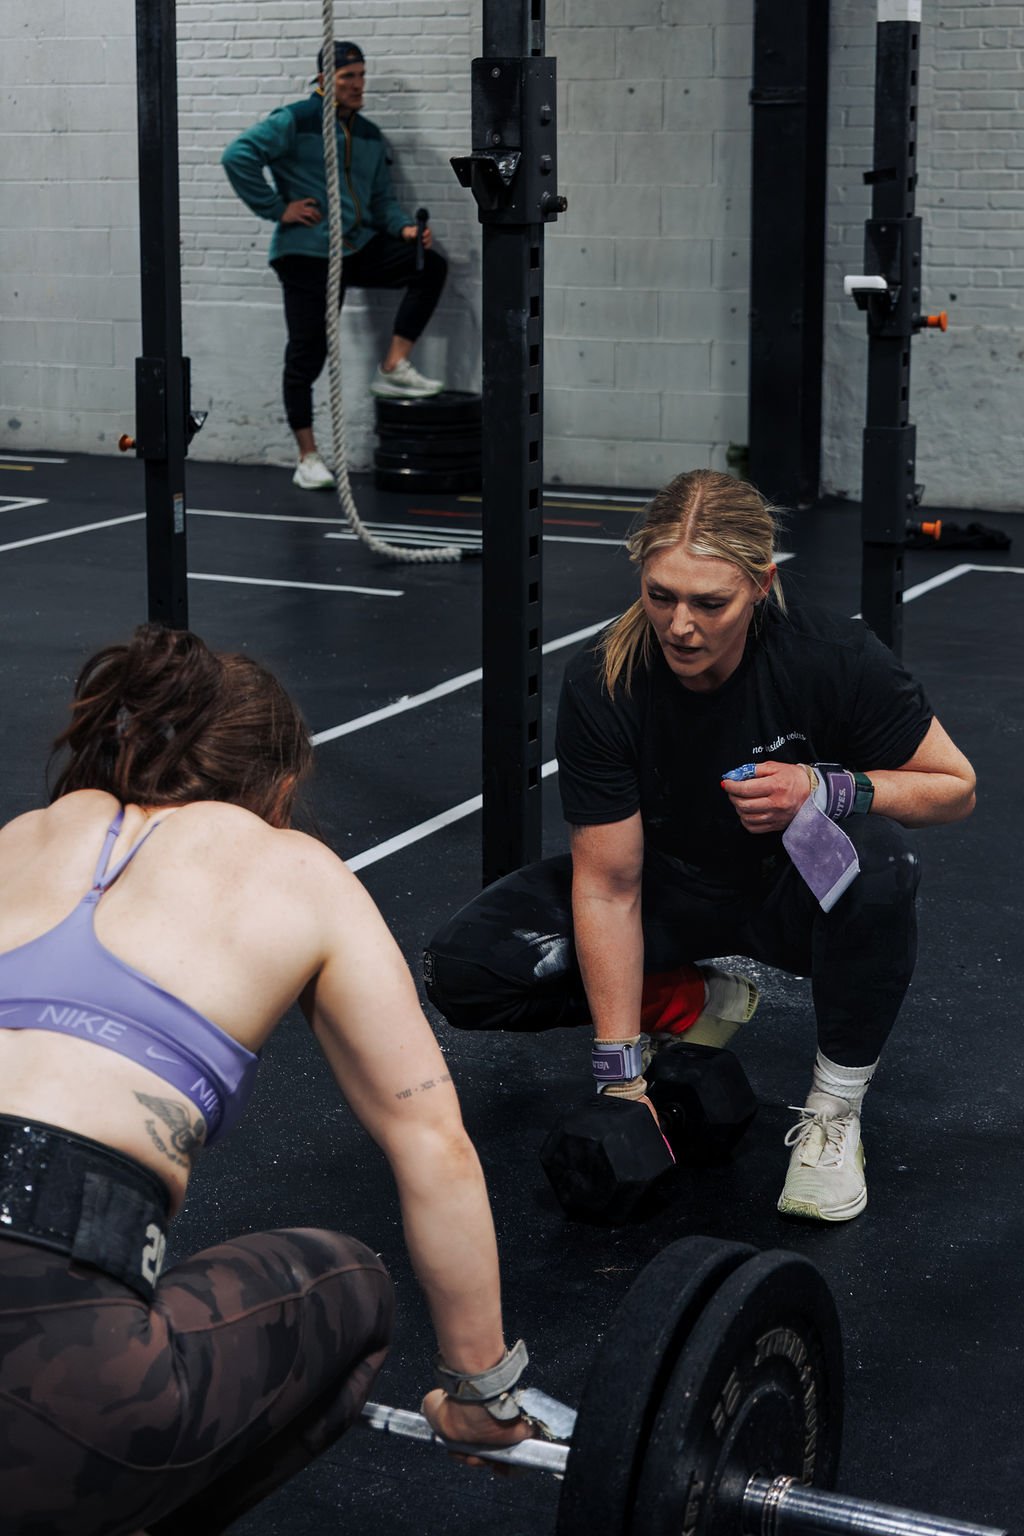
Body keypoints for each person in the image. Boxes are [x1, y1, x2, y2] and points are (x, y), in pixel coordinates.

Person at [0, 624, 535, 1536]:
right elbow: (432, 1146)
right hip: (68, 1384)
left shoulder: (24, 837)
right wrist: (479, 1389)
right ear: (278, 789)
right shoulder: (298, 872)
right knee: (351, 1286)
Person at [424, 469, 977, 1224]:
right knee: (468, 967)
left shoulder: (829, 655)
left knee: (881, 864)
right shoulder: (607, 681)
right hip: (670, 892)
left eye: (709, 603)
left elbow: (954, 787)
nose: (680, 625)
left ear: (759, 584)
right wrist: (620, 1079)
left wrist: (826, 788)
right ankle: (696, 998)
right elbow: (609, 885)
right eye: (661, 595)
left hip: (792, 894)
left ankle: (833, 1115)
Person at [222, 40, 448, 492]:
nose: (357, 85)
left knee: (429, 265)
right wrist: (277, 207)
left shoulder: (367, 134)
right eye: (348, 78)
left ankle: (393, 367)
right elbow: (237, 156)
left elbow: (382, 200)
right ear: (324, 80)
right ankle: (307, 456)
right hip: (306, 253)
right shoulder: (296, 120)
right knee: (307, 355)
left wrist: (404, 230)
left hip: (354, 249)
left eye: (362, 76)